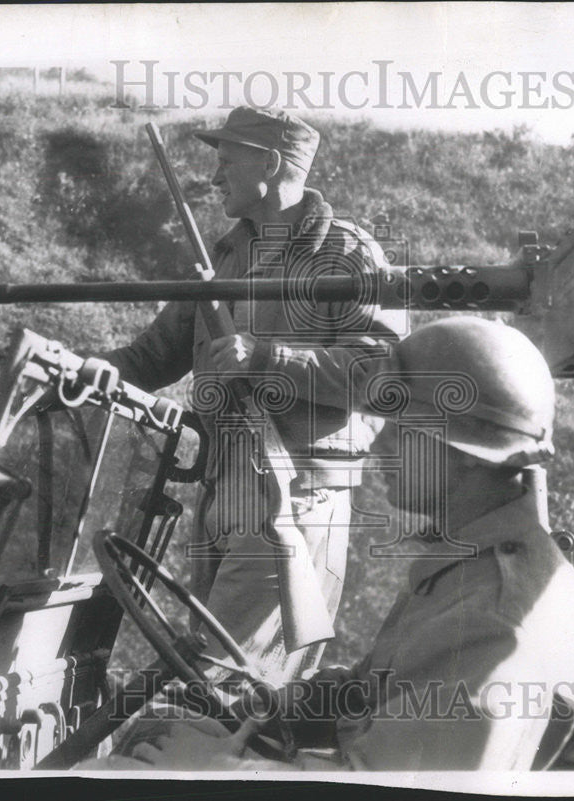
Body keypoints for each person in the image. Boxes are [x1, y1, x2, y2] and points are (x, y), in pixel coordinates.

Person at [86, 317, 574, 771]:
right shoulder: (470, 562)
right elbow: (379, 689)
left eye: (400, 429)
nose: (378, 447)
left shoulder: (496, 624)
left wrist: (221, 773)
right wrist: (269, 709)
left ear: (460, 451)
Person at [102, 106, 404, 684]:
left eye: (226, 163)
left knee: (214, 678)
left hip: (295, 498)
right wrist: (77, 370)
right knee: (239, 687)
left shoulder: (345, 253)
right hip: (222, 493)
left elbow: (383, 373)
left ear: (269, 163)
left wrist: (267, 358)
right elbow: (146, 359)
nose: (214, 179)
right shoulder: (224, 260)